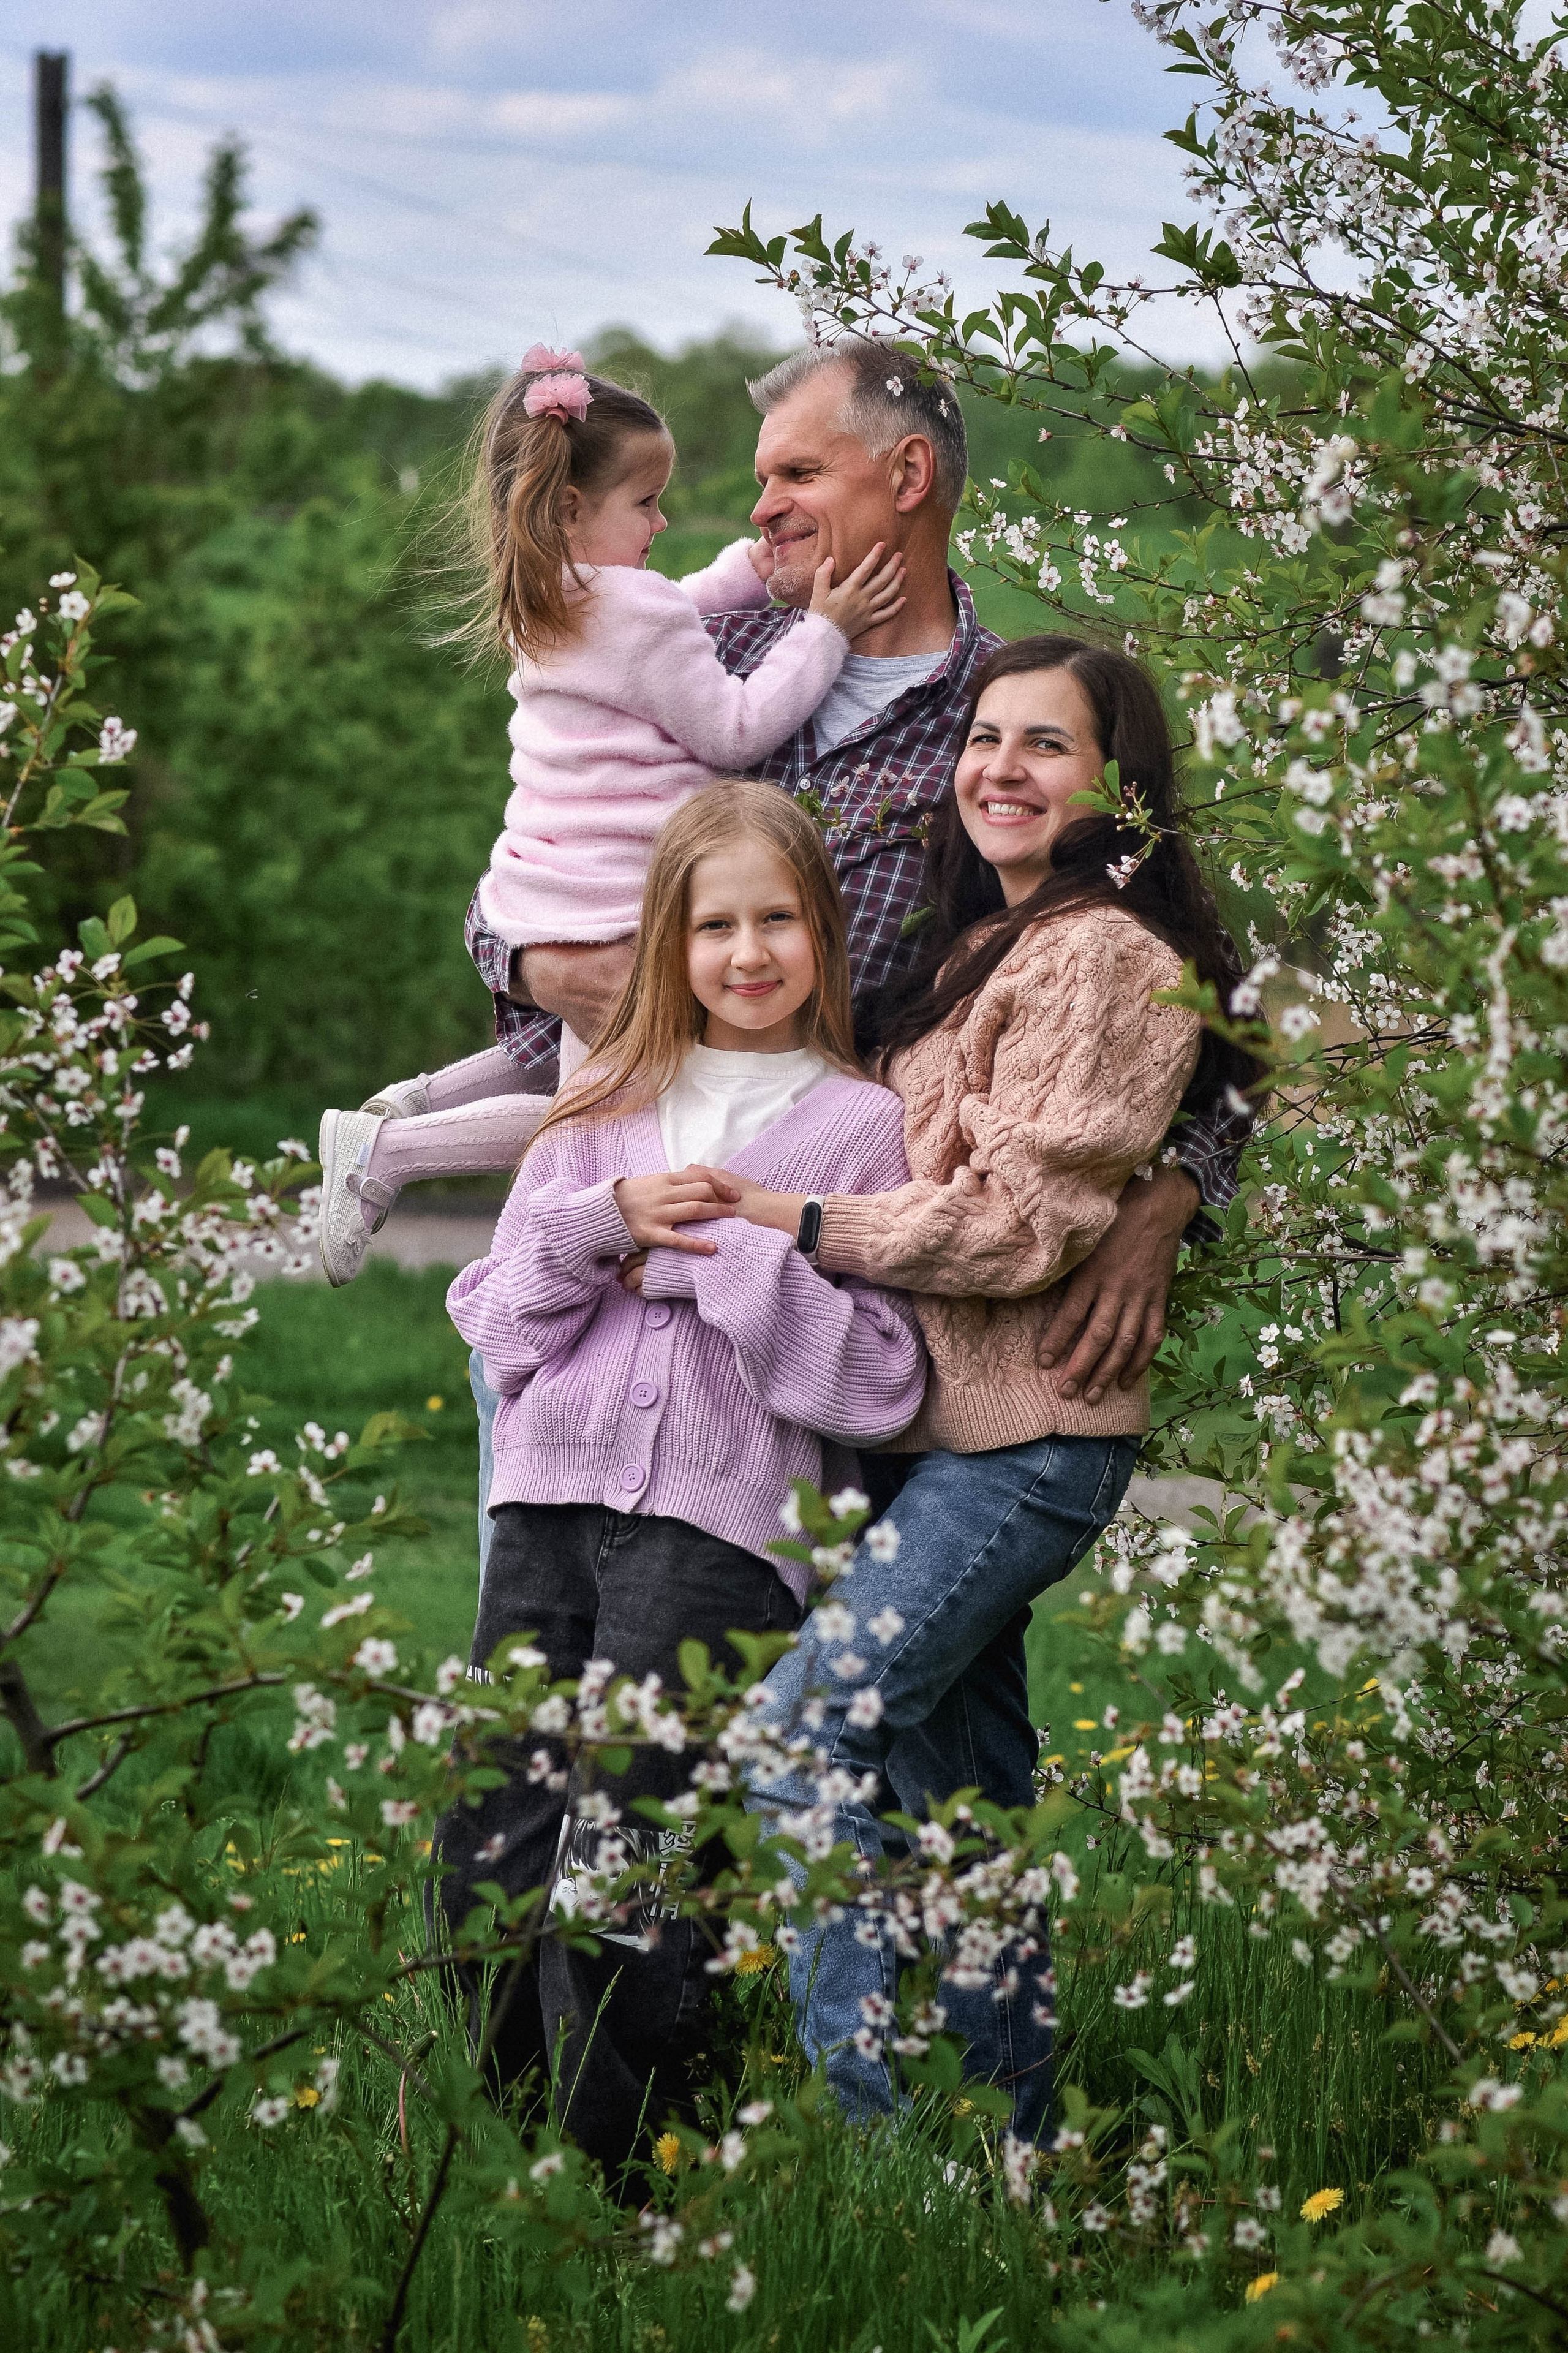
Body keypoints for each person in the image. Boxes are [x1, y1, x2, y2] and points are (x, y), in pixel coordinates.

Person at [461, 341, 1250, 1577]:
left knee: (856, 1712)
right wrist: (526, 963)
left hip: (837, 1309)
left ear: (907, 475)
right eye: (759, 478)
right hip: (600, 1282)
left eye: (797, 473)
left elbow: (1198, 984)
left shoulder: (1006, 734)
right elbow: (533, 856)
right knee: (549, 1683)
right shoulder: (696, 655)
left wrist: (1165, 1204)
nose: (759, 506)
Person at [723, 634, 1264, 2143]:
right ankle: (1018, 2153)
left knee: (795, 1743)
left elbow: (1021, 1228)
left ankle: (881, 2148)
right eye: (983, 736)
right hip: (939, 1434)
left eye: (1044, 744)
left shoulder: (1097, 950)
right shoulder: (990, 942)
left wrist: (796, 1224)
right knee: (960, 1817)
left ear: (1117, 783)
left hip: (1019, 1445)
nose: (998, 769)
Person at [433, 779, 926, 2185]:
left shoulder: (860, 1130)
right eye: (716, 924)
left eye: (778, 919)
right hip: (546, 1514)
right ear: (670, 941)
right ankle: (516, 2139)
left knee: (630, 1847)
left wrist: (732, 1263)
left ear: (823, 936)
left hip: (718, 1536)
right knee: (493, 1831)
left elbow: (881, 1382)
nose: (748, 952)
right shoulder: (598, 1106)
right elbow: (495, 1319)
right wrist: (601, 1229)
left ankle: (624, 2165)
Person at [316, 345, 905, 1286]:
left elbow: (666, 607)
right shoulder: (636, 614)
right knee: (605, 1103)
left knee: (572, 1059)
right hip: (615, 896)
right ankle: (388, 1152)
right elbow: (734, 725)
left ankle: (414, 1101)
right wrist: (822, 631)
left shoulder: (553, 596)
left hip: (543, 884)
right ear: (570, 508)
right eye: (646, 504)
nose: (662, 521)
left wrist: (744, 571)